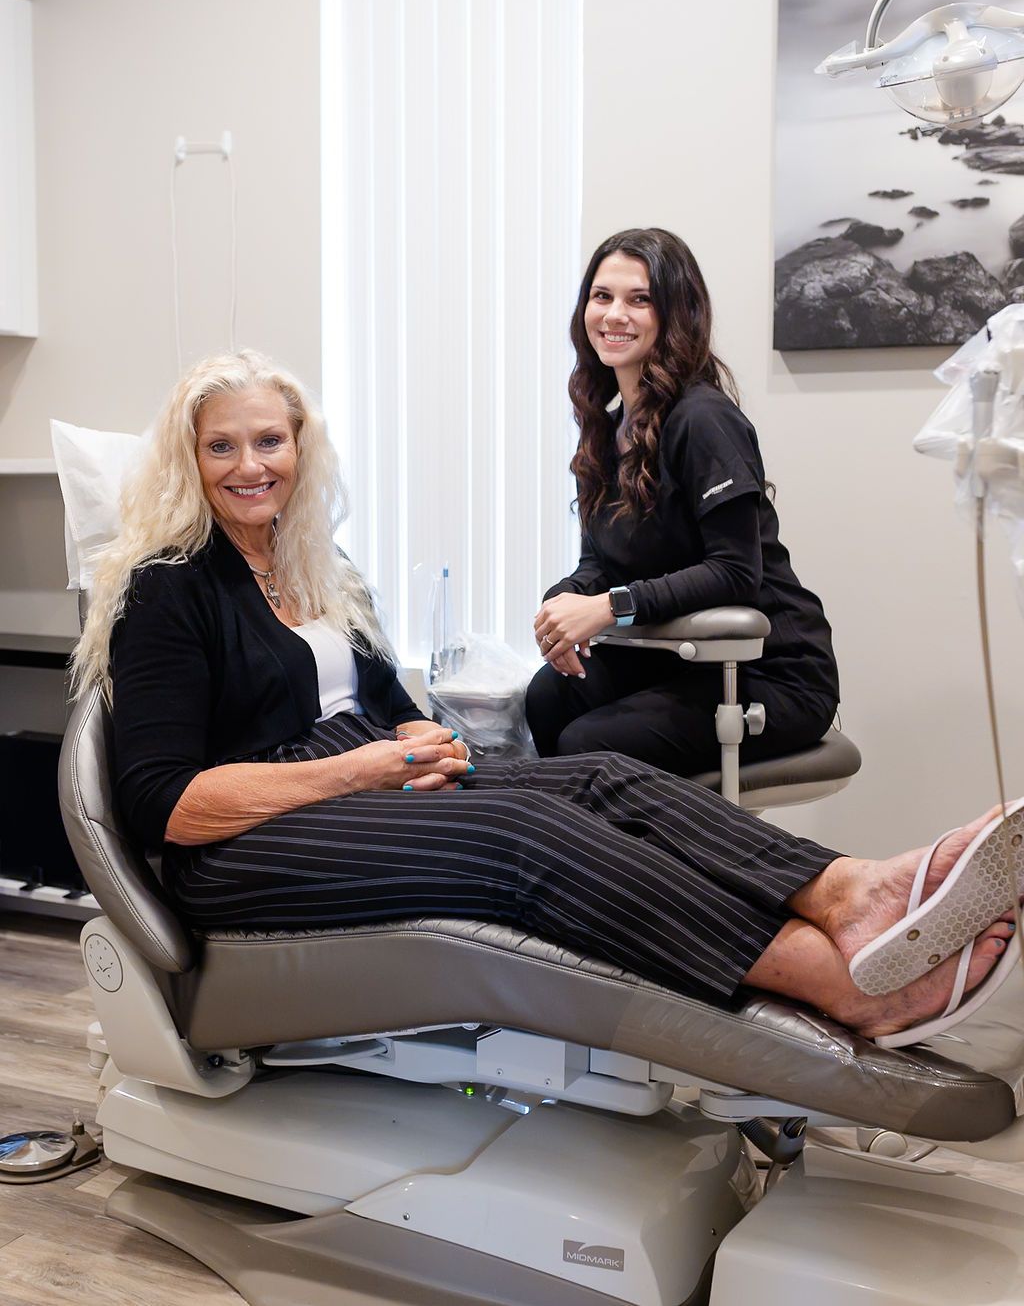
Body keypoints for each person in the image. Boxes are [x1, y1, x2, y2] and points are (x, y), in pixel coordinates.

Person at [72, 349, 1017, 1049]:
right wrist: (360, 767)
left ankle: (851, 891)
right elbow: (167, 805)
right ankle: (843, 984)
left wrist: (417, 736)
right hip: (245, 846)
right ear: (188, 462)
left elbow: (386, 694)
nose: (251, 466)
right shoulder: (170, 585)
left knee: (602, 775)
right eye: (222, 447)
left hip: (357, 782)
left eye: (269, 440)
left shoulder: (316, 562)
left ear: (300, 447)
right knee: (523, 844)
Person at [527, 227, 840, 776]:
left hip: (767, 671)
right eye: (602, 297)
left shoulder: (703, 419)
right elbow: (599, 563)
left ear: (675, 313)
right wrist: (559, 609)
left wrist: (607, 608)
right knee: (548, 698)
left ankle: (662, 862)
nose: (614, 314)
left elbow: (735, 572)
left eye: (639, 299)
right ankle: (590, 858)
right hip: (680, 658)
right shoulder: (605, 428)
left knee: (587, 744)